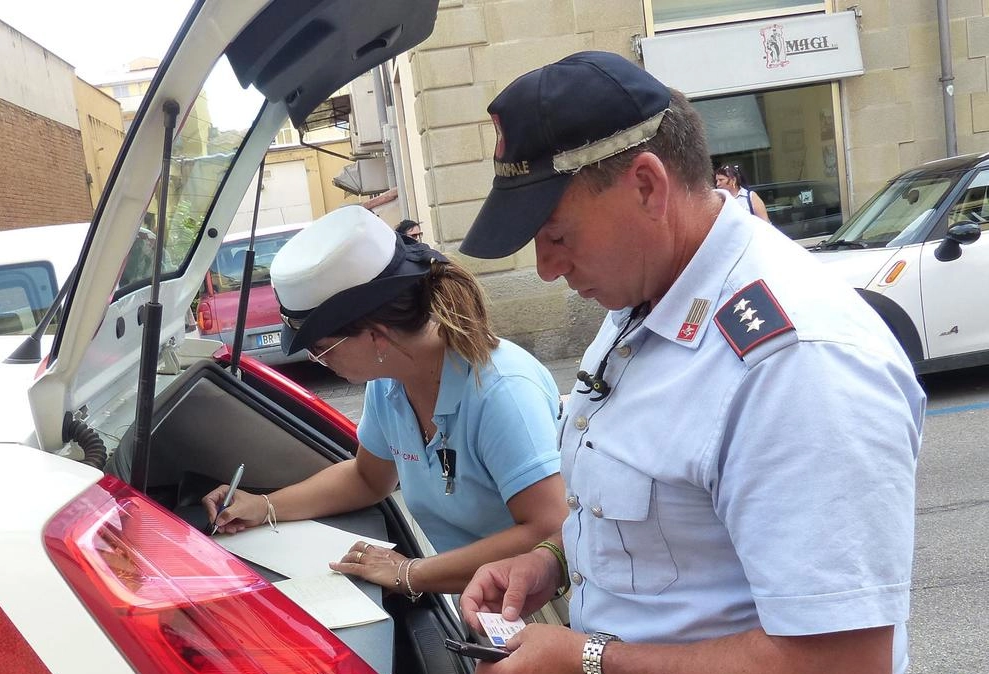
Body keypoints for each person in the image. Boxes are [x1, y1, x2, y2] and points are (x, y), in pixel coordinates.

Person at [456, 51, 924, 674]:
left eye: (557, 235)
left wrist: (587, 659)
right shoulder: (648, 294)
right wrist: (555, 561)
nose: (546, 268)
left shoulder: (795, 365)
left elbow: (842, 662)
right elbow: (671, 527)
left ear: (647, 187)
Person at [203, 205, 567, 600]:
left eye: (323, 349)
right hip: (469, 597)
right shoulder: (389, 383)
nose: (317, 360)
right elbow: (367, 478)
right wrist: (263, 506)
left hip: (536, 606)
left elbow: (548, 531)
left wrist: (410, 573)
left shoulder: (502, 392)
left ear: (376, 336)